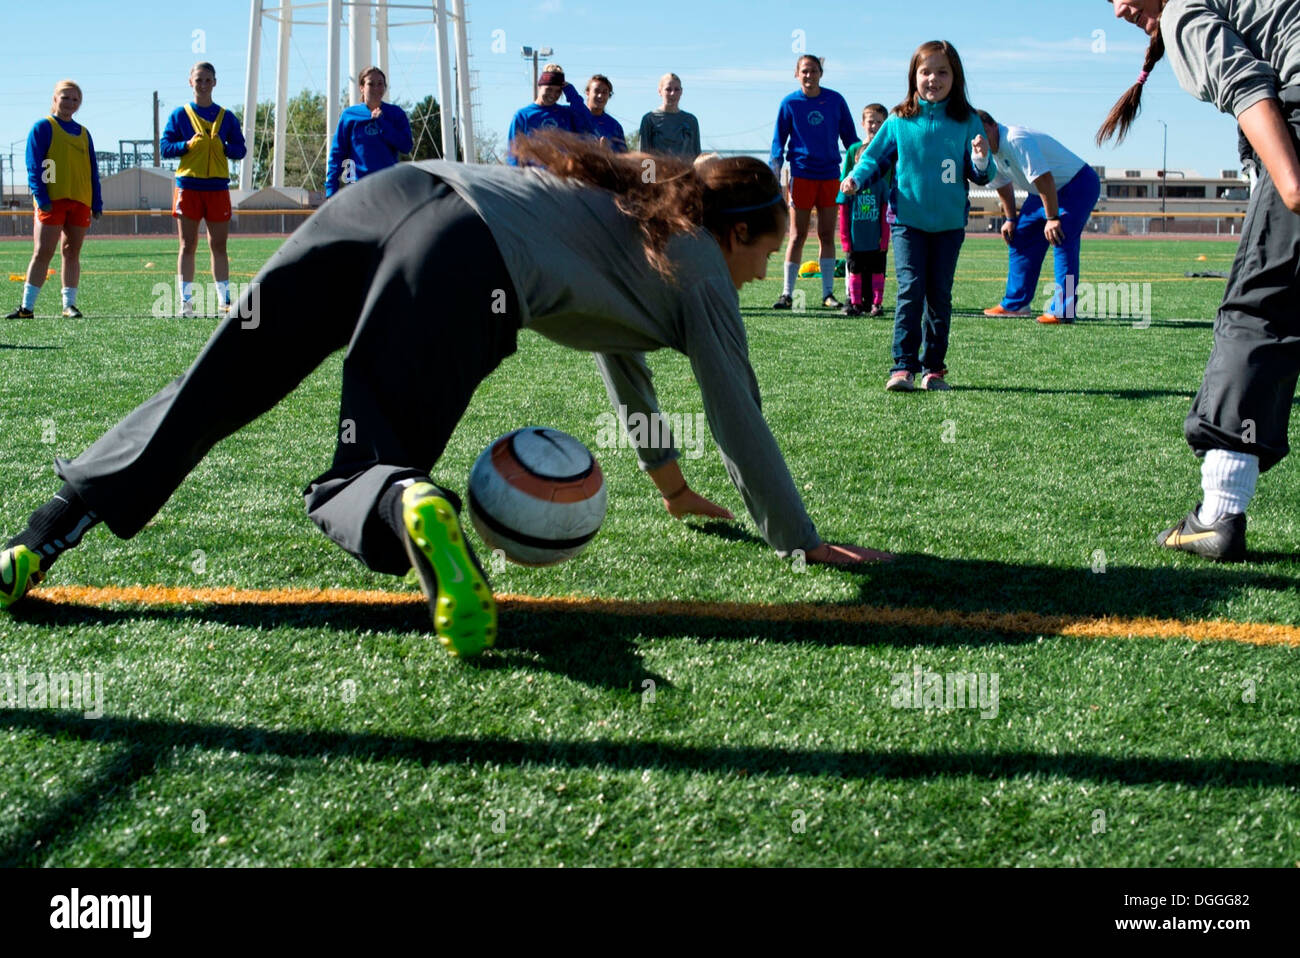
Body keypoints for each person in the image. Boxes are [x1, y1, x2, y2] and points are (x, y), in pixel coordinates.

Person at [0, 132, 890, 659]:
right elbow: (737, 407)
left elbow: (625, 360)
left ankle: (42, 534)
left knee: (219, 380)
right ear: (738, 231)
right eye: (766, 255)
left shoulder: (645, 216)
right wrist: (798, 540)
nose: (758, 275)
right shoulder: (698, 263)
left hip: (391, 193)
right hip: (465, 261)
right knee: (361, 475)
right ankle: (406, 494)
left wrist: (667, 482)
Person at [1101, 0, 1300, 561]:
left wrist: (1289, 186)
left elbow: (1247, 87)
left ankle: (1217, 514)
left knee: (1258, 314)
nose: (1116, 8)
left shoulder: (1182, 10)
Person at [841, 41, 993, 392]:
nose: (933, 79)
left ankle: (934, 369)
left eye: (942, 72)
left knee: (939, 295)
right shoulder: (898, 120)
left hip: (950, 225)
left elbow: (981, 173)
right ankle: (903, 367)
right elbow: (873, 159)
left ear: (956, 77)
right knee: (911, 290)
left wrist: (982, 158)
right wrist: (855, 178)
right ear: (914, 77)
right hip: (907, 222)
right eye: (926, 72)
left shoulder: (967, 121)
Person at [977, 111, 1101, 325]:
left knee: (1060, 238)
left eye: (982, 130)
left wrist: (1052, 218)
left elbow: (1044, 178)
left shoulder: (1016, 138)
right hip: (1041, 191)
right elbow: (1002, 185)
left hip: (1076, 184)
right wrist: (1010, 219)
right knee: (1021, 237)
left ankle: (1064, 311)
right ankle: (1015, 304)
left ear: (993, 126)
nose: (978, 137)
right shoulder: (982, 152)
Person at [5, 80, 102, 320]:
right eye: (65, 97)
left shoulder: (83, 133)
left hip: (80, 201)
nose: (70, 103)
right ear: (55, 99)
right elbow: (33, 165)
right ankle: (27, 307)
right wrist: (41, 195)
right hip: (52, 201)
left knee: (71, 252)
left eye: (75, 99)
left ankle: (69, 305)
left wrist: (96, 201)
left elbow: (92, 170)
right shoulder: (43, 127)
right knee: (43, 251)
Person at [159, 62, 248, 318]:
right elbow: (165, 146)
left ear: (215, 83)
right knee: (187, 245)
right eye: (199, 80)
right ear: (190, 82)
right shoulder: (180, 115)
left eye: (208, 80)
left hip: (218, 187)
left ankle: (224, 299)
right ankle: (185, 302)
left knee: (219, 245)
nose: (203, 84)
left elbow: (240, 150)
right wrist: (185, 145)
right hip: (188, 186)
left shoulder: (227, 117)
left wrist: (224, 146)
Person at [770, 56, 859, 310]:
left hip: (830, 176)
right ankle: (787, 294)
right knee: (796, 236)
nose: (809, 76)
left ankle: (828, 294)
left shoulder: (835, 101)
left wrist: (862, 166)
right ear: (797, 74)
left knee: (826, 235)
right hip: (801, 176)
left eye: (813, 71)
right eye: (804, 72)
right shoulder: (789, 103)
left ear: (821, 73)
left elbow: (851, 141)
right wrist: (772, 174)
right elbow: (778, 143)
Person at [836, 104, 894, 317]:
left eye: (880, 122)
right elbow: (846, 178)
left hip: (880, 211)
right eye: (871, 121)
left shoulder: (889, 148)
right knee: (855, 260)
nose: (875, 126)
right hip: (857, 214)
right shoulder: (854, 150)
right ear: (862, 124)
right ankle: (852, 299)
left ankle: (873, 301)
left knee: (877, 259)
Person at [325, 66, 413, 198]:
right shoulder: (349, 115)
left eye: (380, 84)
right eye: (371, 84)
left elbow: (406, 146)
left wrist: (382, 123)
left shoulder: (395, 114)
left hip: (388, 187)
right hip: (357, 188)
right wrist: (331, 190)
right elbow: (337, 154)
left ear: (385, 87)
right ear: (361, 87)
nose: (376, 88)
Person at [506, 64, 594, 165]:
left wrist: (572, 94)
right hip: (533, 177)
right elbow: (513, 154)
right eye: (549, 89)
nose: (553, 94)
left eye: (558, 91)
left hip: (562, 176)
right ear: (539, 87)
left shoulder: (566, 114)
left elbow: (588, 126)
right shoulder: (523, 116)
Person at [638, 73, 701, 158]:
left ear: (681, 91)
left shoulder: (691, 120)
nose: (672, 93)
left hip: (685, 170)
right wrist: (650, 172)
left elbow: (697, 156)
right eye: (668, 89)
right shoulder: (649, 119)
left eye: (676, 89)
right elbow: (644, 156)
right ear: (660, 91)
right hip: (658, 170)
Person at [585, 74, 627, 152]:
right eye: (596, 91)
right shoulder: (574, 117)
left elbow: (623, 157)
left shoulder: (615, 126)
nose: (600, 96)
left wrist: (608, 152)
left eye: (605, 92)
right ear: (587, 92)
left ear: (609, 95)